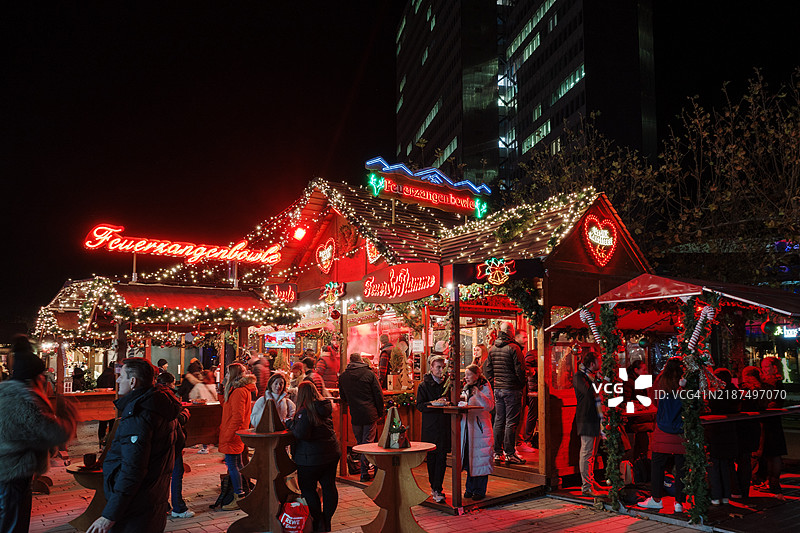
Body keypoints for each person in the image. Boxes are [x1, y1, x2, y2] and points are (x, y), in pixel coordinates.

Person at [87, 357, 181, 533]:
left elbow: (132, 469)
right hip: (154, 498)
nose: (117, 381)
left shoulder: (139, 414)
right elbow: (179, 442)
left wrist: (109, 516)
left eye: (121, 377)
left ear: (132, 382)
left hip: (135, 507)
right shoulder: (161, 405)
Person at [0, 336, 76, 533]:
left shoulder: (4, 394)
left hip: (6, 471)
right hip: (12, 475)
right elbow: (55, 432)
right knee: (12, 525)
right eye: (41, 375)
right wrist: (69, 416)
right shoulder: (25, 400)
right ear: (34, 378)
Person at [287, 382, 340, 533]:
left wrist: (290, 424)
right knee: (329, 486)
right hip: (331, 453)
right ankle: (327, 520)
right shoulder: (323, 407)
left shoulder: (305, 411)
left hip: (309, 458)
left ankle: (318, 521)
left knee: (308, 489)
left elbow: (301, 433)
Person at [638, 357, 686, 513]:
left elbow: (652, 400)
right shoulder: (686, 384)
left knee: (657, 466)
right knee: (681, 468)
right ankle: (679, 502)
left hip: (662, 431)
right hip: (681, 431)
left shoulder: (661, 382)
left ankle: (656, 499)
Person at [485, 321, 527, 465]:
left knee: (499, 420)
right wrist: (521, 384)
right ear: (510, 332)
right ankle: (509, 453)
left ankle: (497, 452)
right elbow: (520, 370)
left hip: (498, 389)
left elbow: (488, 371)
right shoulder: (514, 348)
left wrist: (495, 383)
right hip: (512, 389)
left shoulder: (492, 349)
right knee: (511, 422)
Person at [216, 363, 257, 511]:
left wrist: (228, 434)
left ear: (232, 375)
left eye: (227, 374)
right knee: (237, 464)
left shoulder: (239, 391)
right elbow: (226, 405)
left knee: (232, 465)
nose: (226, 376)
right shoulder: (236, 389)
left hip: (233, 433)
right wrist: (221, 392)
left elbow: (238, 417)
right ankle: (242, 493)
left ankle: (239, 496)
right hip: (235, 432)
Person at [338, 353, 384, 481]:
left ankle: (365, 471)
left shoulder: (343, 376)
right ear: (361, 361)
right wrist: (380, 413)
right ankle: (365, 473)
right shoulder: (369, 374)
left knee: (360, 444)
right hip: (370, 413)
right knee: (368, 444)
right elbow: (378, 395)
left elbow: (343, 397)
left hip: (355, 414)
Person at [156, 373, 194, 519]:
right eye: (173, 383)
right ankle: (178, 507)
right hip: (172, 440)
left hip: (162, 441)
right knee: (177, 473)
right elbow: (176, 419)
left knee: (162, 475)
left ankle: (163, 505)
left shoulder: (154, 396)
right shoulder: (168, 397)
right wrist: (185, 414)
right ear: (169, 384)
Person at [416, 354, 451, 503]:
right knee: (432, 458)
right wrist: (433, 403)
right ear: (431, 367)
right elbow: (420, 405)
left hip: (444, 426)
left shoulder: (448, 384)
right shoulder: (423, 386)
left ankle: (438, 488)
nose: (441, 370)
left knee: (442, 458)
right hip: (431, 427)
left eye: (443, 367)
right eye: (438, 367)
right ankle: (434, 487)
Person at [460, 364, 494, 500]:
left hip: (480, 428)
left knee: (480, 459)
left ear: (476, 375)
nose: (466, 377)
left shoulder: (484, 386)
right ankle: (470, 488)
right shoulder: (465, 387)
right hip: (468, 427)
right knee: (470, 459)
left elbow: (489, 406)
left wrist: (478, 394)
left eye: (468, 375)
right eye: (465, 375)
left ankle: (479, 490)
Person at [705, 368, 739, 505]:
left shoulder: (716, 393)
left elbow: (710, 407)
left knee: (714, 463)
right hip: (730, 430)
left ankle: (716, 495)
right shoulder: (734, 391)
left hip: (716, 430)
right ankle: (726, 494)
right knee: (725, 464)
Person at [732, 366, 765, 499]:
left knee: (741, 459)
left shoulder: (745, 390)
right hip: (754, 426)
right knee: (746, 459)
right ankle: (744, 490)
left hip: (743, 426)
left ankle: (738, 489)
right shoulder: (762, 389)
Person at [573, 350, 602, 497]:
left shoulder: (591, 377)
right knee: (587, 452)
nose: (600, 363)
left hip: (595, 417)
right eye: (599, 361)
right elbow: (588, 393)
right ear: (592, 363)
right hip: (586, 418)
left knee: (593, 453)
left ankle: (591, 481)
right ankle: (586, 486)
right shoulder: (579, 376)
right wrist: (599, 380)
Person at [756, 356, 787, 494]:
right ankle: (771, 481)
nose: (763, 370)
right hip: (772, 420)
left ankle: (773, 482)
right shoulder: (774, 382)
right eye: (762, 367)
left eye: (766, 367)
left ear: (774, 368)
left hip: (771, 421)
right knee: (771, 453)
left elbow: (775, 402)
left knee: (773, 453)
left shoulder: (774, 383)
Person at [96, 364, 117, 449]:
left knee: (102, 424)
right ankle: (110, 443)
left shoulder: (101, 377)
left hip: (101, 403)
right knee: (112, 423)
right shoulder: (114, 376)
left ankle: (101, 443)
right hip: (111, 403)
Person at [522, 348, 539, 448]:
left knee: (534, 413)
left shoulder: (536, 353)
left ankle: (529, 439)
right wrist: (536, 370)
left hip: (538, 386)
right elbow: (527, 367)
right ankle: (527, 439)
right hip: (534, 387)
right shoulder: (533, 353)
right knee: (533, 413)